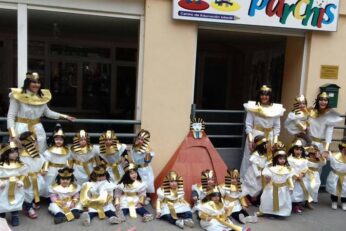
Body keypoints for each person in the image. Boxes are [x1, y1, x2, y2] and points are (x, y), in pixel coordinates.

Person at [7, 72, 75, 154]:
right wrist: (13, 135)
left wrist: (65, 116)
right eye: (34, 82)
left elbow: (48, 112)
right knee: (22, 154)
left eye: (38, 82)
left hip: (38, 130)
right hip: (21, 130)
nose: (36, 85)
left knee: (40, 153)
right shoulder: (17, 95)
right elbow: (11, 116)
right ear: (28, 83)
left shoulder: (42, 96)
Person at [240, 85, 285, 177]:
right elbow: (248, 125)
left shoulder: (276, 109)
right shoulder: (253, 107)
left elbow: (277, 127)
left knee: (268, 160)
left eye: (267, 94)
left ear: (270, 96)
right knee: (251, 159)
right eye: (262, 94)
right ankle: (246, 184)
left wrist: (275, 142)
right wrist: (250, 140)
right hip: (256, 135)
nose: (264, 97)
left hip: (270, 137)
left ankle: (265, 186)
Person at [259, 147, 294, 217]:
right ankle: (268, 212)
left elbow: (289, 178)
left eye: (284, 159)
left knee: (283, 200)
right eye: (280, 158)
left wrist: (291, 186)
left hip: (283, 188)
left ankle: (280, 213)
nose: (282, 160)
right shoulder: (271, 168)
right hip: (272, 187)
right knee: (269, 200)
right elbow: (267, 174)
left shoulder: (288, 169)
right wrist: (267, 177)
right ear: (276, 159)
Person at [0, 142, 28, 226]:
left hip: (16, 186)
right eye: (12, 152)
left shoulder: (20, 164)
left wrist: (21, 181)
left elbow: (24, 174)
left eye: (16, 151)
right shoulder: (1, 165)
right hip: (3, 186)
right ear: (6, 153)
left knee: (15, 200)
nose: (15, 154)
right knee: (2, 200)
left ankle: (15, 215)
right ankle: (1, 216)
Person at [19, 131, 45, 219]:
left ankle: (29, 203)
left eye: (35, 141)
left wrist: (42, 169)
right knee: (28, 193)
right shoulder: (22, 157)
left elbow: (43, 162)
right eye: (31, 142)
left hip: (37, 177)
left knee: (36, 191)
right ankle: (28, 208)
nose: (34, 144)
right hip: (27, 178)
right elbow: (20, 168)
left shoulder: (38, 154)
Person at [41, 124, 70, 197]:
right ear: (54, 140)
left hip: (62, 170)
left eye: (61, 140)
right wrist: (44, 169)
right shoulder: (49, 151)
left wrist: (68, 167)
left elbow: (67, 160)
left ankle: (59, 196)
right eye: (57, 139)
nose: (59, 141)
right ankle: (48, 196)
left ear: (64, 140)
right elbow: (46, 161)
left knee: (60, 183)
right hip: (51, 170)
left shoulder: (67, 151)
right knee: (49, 182)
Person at [287, 139, 313, 214]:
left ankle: (297, 204)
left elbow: (305, 168)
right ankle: (293, 205)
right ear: (293, 150)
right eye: (296, 149)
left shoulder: (304, 160)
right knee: (293, 192)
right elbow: (289, 169)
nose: (298, 152)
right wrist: (295, 176)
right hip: (293, 179)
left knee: (300, 192)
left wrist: (302, 174)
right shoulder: (289, 159)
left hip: (301, 178)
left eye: (300, 150)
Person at [241, 135, 268, 205]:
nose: (266, 145)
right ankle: (250, 197)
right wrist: (257, 173)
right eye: (264, 144)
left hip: (262, 172)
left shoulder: (265, 154)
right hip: (254, 173)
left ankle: (255, 198)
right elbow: (254, 165)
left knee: (260, 186)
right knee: (253, 185)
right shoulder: (255, 155)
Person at [128, 129, 155, 195]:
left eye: (142, 140)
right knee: (136, 183)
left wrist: (147, 152)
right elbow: (132, 159)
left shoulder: (149, 151)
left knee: (146, 183)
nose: (140, 141)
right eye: (139, 138)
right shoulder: (133, 149)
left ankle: (146, 196)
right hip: (136, 169)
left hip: (145, 169)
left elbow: (147, 161)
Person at [326, 141, 346, 210]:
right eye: (343, 148)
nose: (344, 150)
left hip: (345, 176)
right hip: (335, 175)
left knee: (345, 190)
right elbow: (327, 156)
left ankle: (344, 202)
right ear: (341, 149)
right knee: (334, 189)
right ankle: (334, 201)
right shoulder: (334, 155)